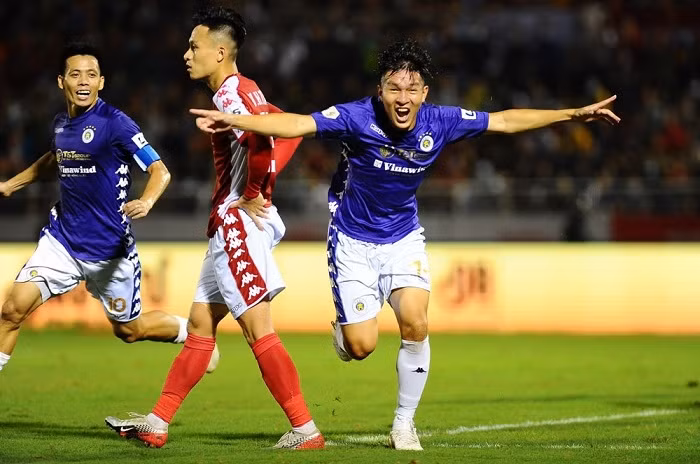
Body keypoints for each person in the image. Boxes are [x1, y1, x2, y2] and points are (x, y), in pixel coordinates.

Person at [188, 38, 621, 450]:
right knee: (360, 348)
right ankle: (346, 331)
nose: (402, 97)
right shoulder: (357, 117)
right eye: (393, 87)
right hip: (353, 240)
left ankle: (404, 421)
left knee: (416, 322)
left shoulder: (441, 121)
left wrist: (573, 114)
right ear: (380, 90)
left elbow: (505, 120)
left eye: (412, 89)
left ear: (424, 93)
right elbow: (298, 124)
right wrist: (238, 120)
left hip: (403, 237)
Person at [104, 6, 324, 450]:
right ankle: (158, 421)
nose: (186, 54)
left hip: (237, 223)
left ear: (220, 52)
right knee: (200, 324)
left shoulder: (228, 96)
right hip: (234, 222)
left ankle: (305, 430)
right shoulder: (249, 90)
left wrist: (254, 191)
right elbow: (292, 131)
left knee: (258, 329)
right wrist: (261, 186)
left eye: (194, 46)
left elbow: (264, 140)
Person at [0, 42, 215, 373]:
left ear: (101, 82)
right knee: (11, 311)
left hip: (110, 252)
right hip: (62, 243)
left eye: (91, 75)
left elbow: (160, 170)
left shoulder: (116, 123)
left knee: (129, 330)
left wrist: (146, 200)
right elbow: (54, 158)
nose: (83, 81)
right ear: (61, 81)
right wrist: (10, 185)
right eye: (75, 74)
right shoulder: (61, 124)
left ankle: (191, 333)